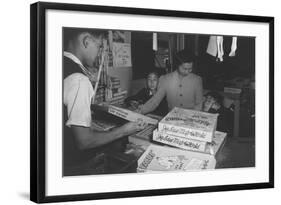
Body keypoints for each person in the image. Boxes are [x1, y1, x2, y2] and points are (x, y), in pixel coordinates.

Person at [63, 28, 146, 168]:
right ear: (86, 41)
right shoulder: (79, 80)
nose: (100, 53)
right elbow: (84, 141)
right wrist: (124, 130)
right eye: (100, 46)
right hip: (73, 163)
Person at [138, 50, 203, 114]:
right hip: (172, 117)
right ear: (177, 65)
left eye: (190, 69)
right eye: (184, 69)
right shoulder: (165, 79)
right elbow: (155, 101)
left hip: (191, 116)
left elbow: (199, 104)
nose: (187, 71)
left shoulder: (197, 80)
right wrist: (142, 110)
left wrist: (192, 117)